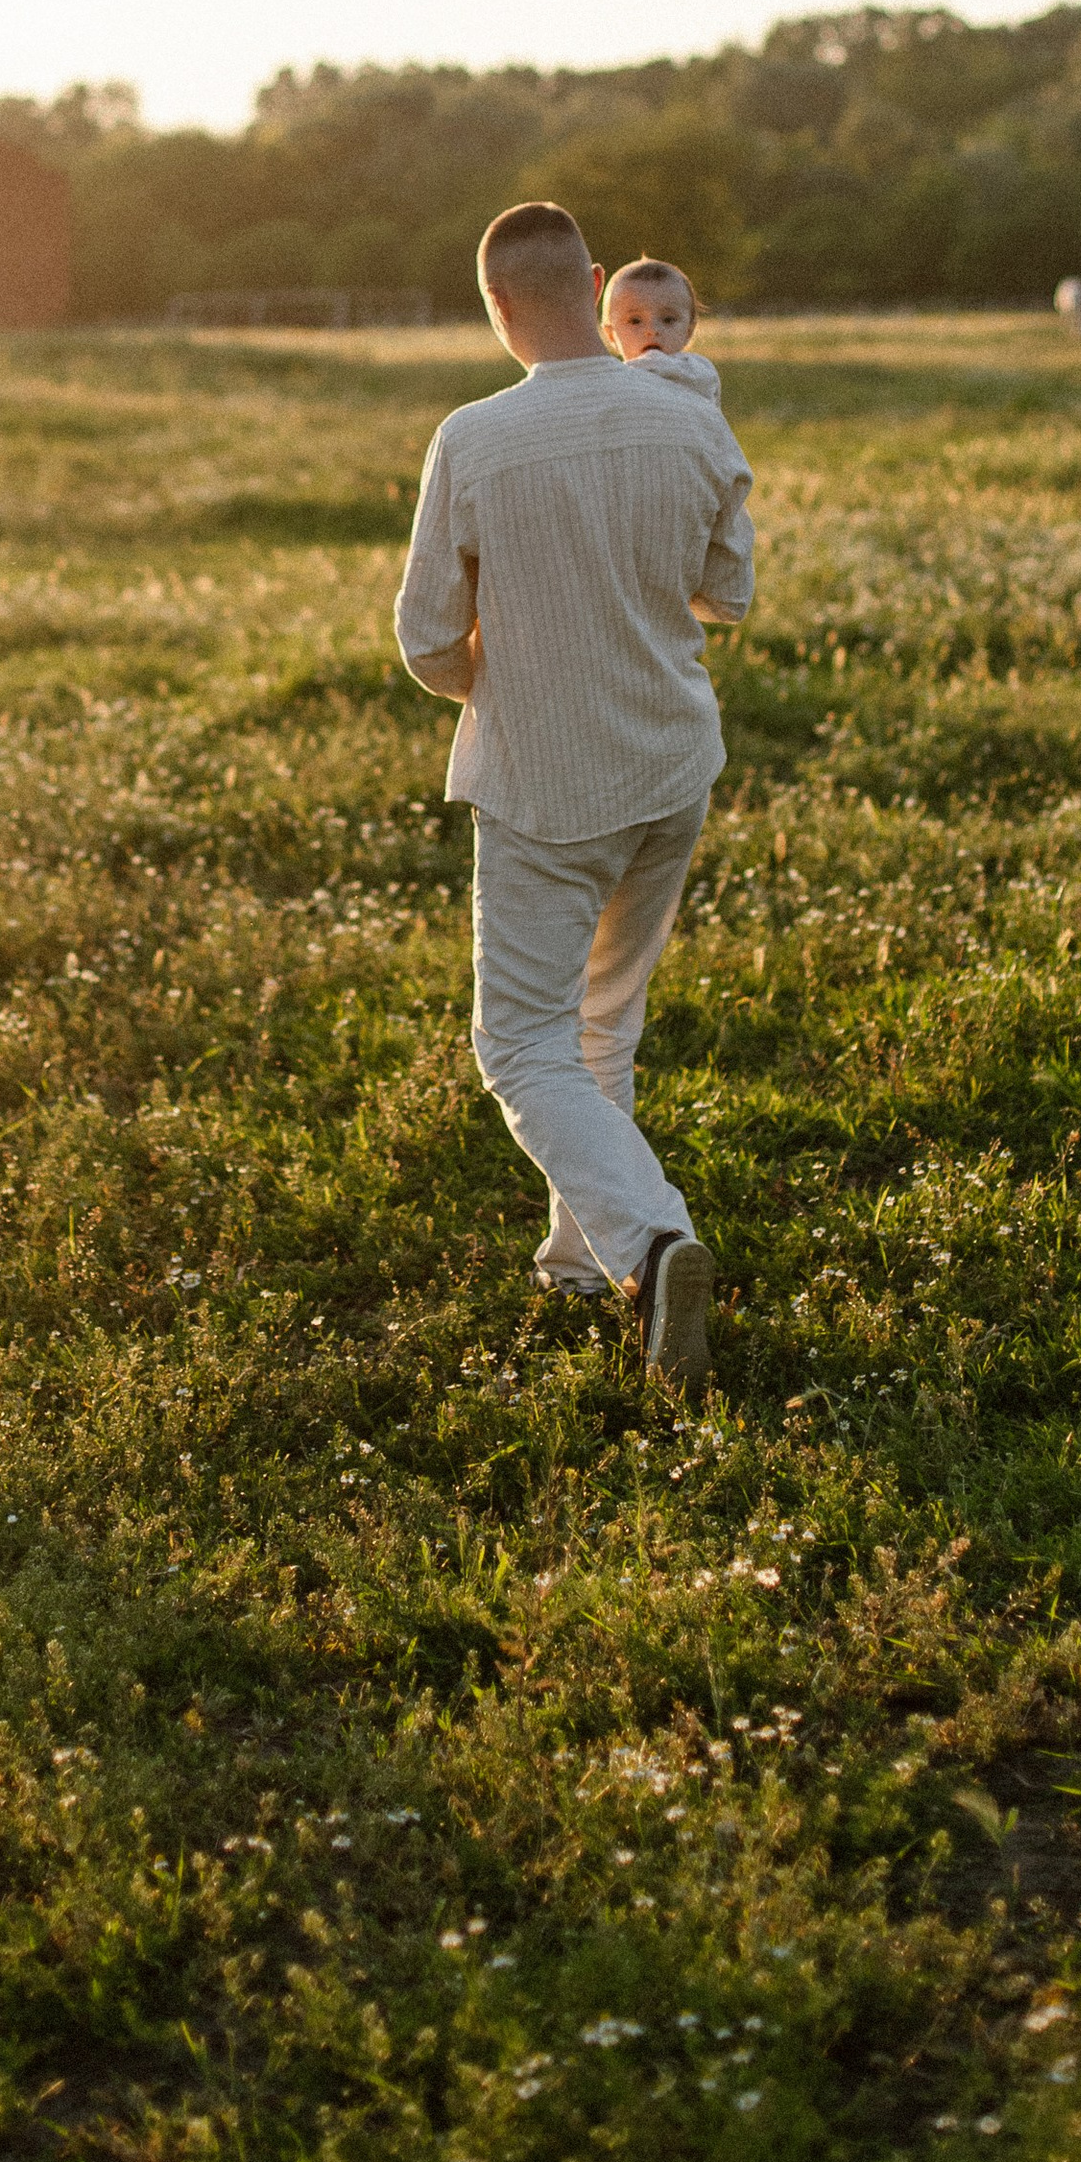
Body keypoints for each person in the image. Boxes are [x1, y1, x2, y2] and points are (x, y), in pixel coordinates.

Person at [393, 203, 755, 1385]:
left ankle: (652, 1244)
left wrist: (493, 687)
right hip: (668, 766)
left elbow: (427, 637)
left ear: (495, 306)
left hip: (547, 783)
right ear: (594, 286)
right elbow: (728, 594)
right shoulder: (691, 417)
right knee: (604, 1022)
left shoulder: (473, 437)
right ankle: (574, 1256)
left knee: (520, 1045)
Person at [601, 253, 722, 400]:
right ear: (611, 334)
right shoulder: (613, 384)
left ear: (689, 331)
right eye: (635, 321)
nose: (652, 330)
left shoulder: (696, 373)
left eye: (668, 320)